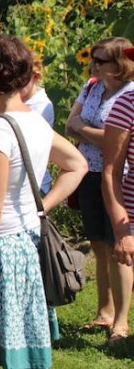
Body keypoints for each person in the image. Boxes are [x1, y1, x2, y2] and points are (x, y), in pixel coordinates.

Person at [0, 35, 88, 369]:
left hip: (0, 250)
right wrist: (41, 206)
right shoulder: (33, 120)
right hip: (28, 246)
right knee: (22, 351)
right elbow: (77, 164)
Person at [66, 37, 134, 335]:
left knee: (119, 247)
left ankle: (121, 321)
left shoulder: (129, 95)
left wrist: (85, 128)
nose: (93, 63)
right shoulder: (92, 86)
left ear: (120, 64)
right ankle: (104, 311)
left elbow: (114, 141)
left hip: (120, 179)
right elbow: (70, 124)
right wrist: (93, 132)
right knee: (98, 243)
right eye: (92, 57)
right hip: (88, 172)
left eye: (100, 59)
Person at [102, 46, 134, 346]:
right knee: (123, 262)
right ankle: (119, 324)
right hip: (133, 208)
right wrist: (122, 228)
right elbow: (111, 171)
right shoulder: (127, 104)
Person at [19, 53, 55, 194]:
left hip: (34, 183)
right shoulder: (19, 100)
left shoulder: (41, 105)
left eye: (23, 80)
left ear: (36, 77)